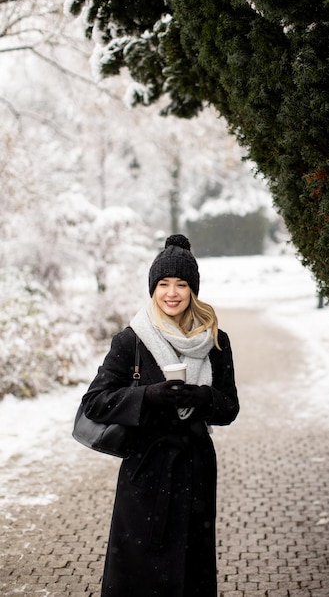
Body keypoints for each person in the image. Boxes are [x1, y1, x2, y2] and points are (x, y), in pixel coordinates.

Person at [81, 234, 239, 597]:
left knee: (192, 572)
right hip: (146, 470)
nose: (172, 293)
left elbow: (229, 407)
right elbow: (95, 401)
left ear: (193, 290)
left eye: (181, 284)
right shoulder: (131, 340)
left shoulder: (216, 342)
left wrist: (201, 398)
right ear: (153, 288)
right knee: (140, 573)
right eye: (164, 284)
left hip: (195, 469)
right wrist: (148, 396)